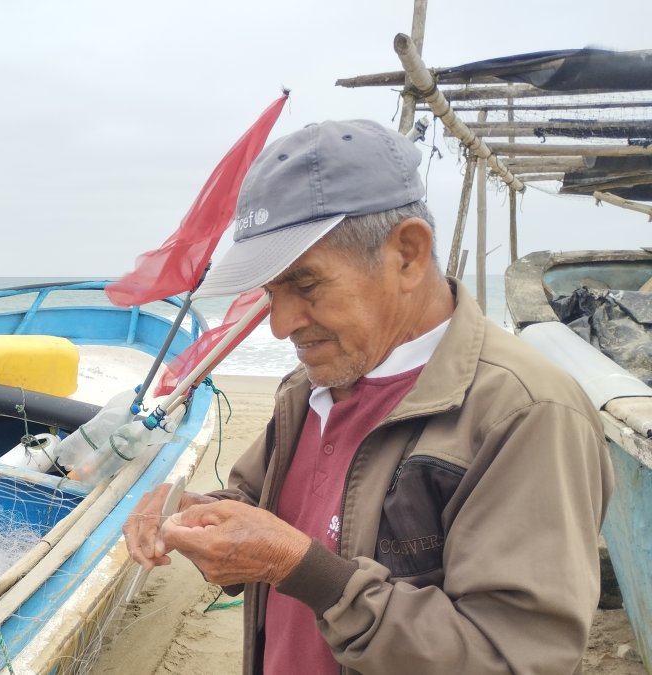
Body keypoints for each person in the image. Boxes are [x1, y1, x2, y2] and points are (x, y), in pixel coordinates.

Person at [123, 119, 613, 674]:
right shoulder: (308, 389)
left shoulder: (524, 414)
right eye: (270, 293)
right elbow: (262, 506)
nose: (280, 325)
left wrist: (299, 567)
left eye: (305, 285)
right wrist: (196, 514)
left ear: (407, 253)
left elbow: (511, 659)